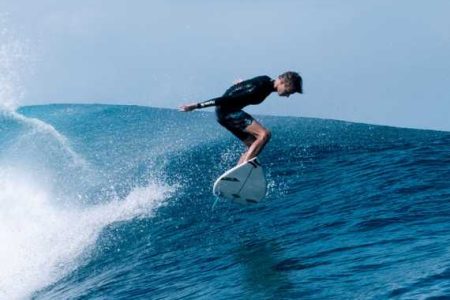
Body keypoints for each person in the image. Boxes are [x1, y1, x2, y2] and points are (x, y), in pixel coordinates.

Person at [179, 71, 303, 165]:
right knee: (264, 135)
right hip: (228, 112)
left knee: (253, 144)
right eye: (288, 91)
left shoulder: (266, 81)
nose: (287, 96)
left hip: (225, 113)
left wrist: (241, 85)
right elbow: (224, 100)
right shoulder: (259, 88)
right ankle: (244, 166)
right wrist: (197, 105)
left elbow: (246, 87)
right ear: (282, 82)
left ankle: (237, 173)